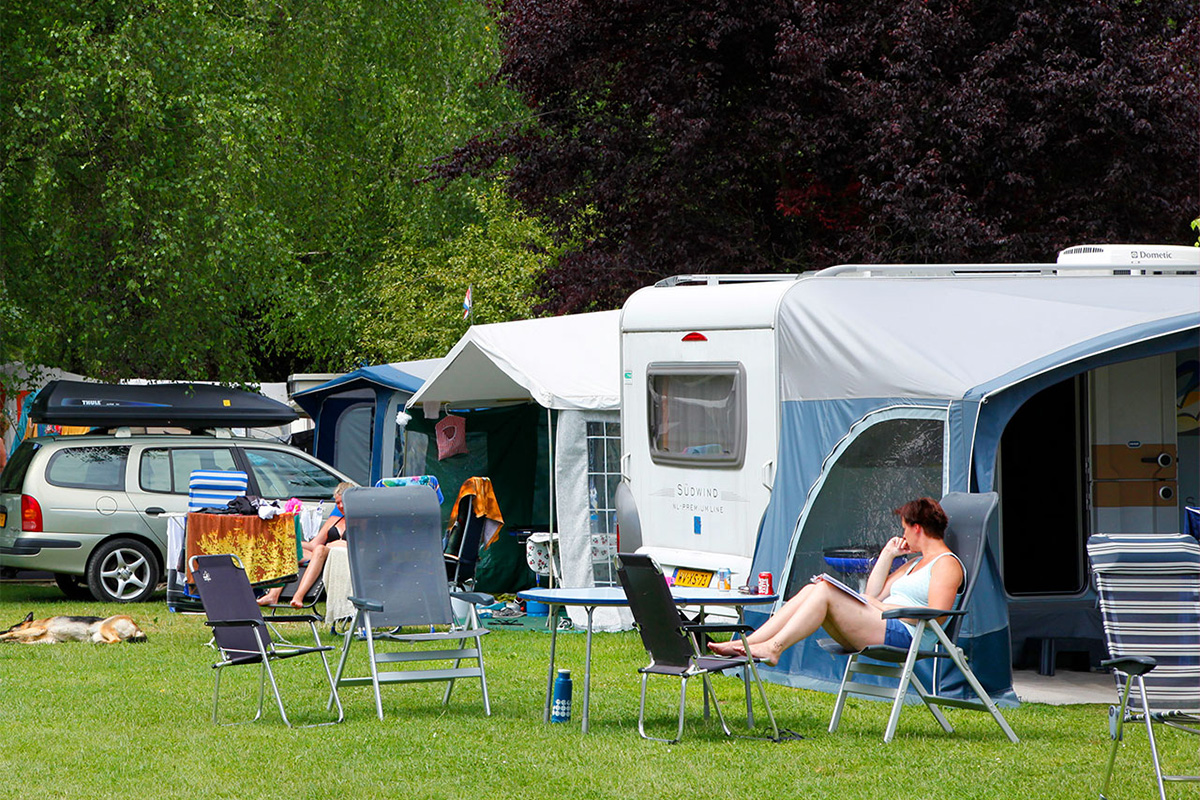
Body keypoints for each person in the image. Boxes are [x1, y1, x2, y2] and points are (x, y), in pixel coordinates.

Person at [708, 497, 963, 666]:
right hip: (883, 623)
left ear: (917, 528)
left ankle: (774, 647)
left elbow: (937, 616)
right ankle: (747, 642)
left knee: (824, 591)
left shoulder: (946, 564)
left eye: (905, 528)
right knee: (812, 589)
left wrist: (882, 607)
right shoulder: (913, 563)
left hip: (907, 635)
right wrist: (888, 554)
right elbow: (873, 593)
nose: (903, 534)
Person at [258, 481, 355, 608]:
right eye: (337, 503)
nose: (340, 506)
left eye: (343, 502)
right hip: (324, 555)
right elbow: (314, 544)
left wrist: (338, 544)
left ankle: (298, 596)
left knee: (320, 549)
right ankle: (273, 595)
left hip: (346, 557)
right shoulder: (334, 520)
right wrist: (292, 543)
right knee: (289, 550)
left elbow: (363, 548)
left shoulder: (362, 521)